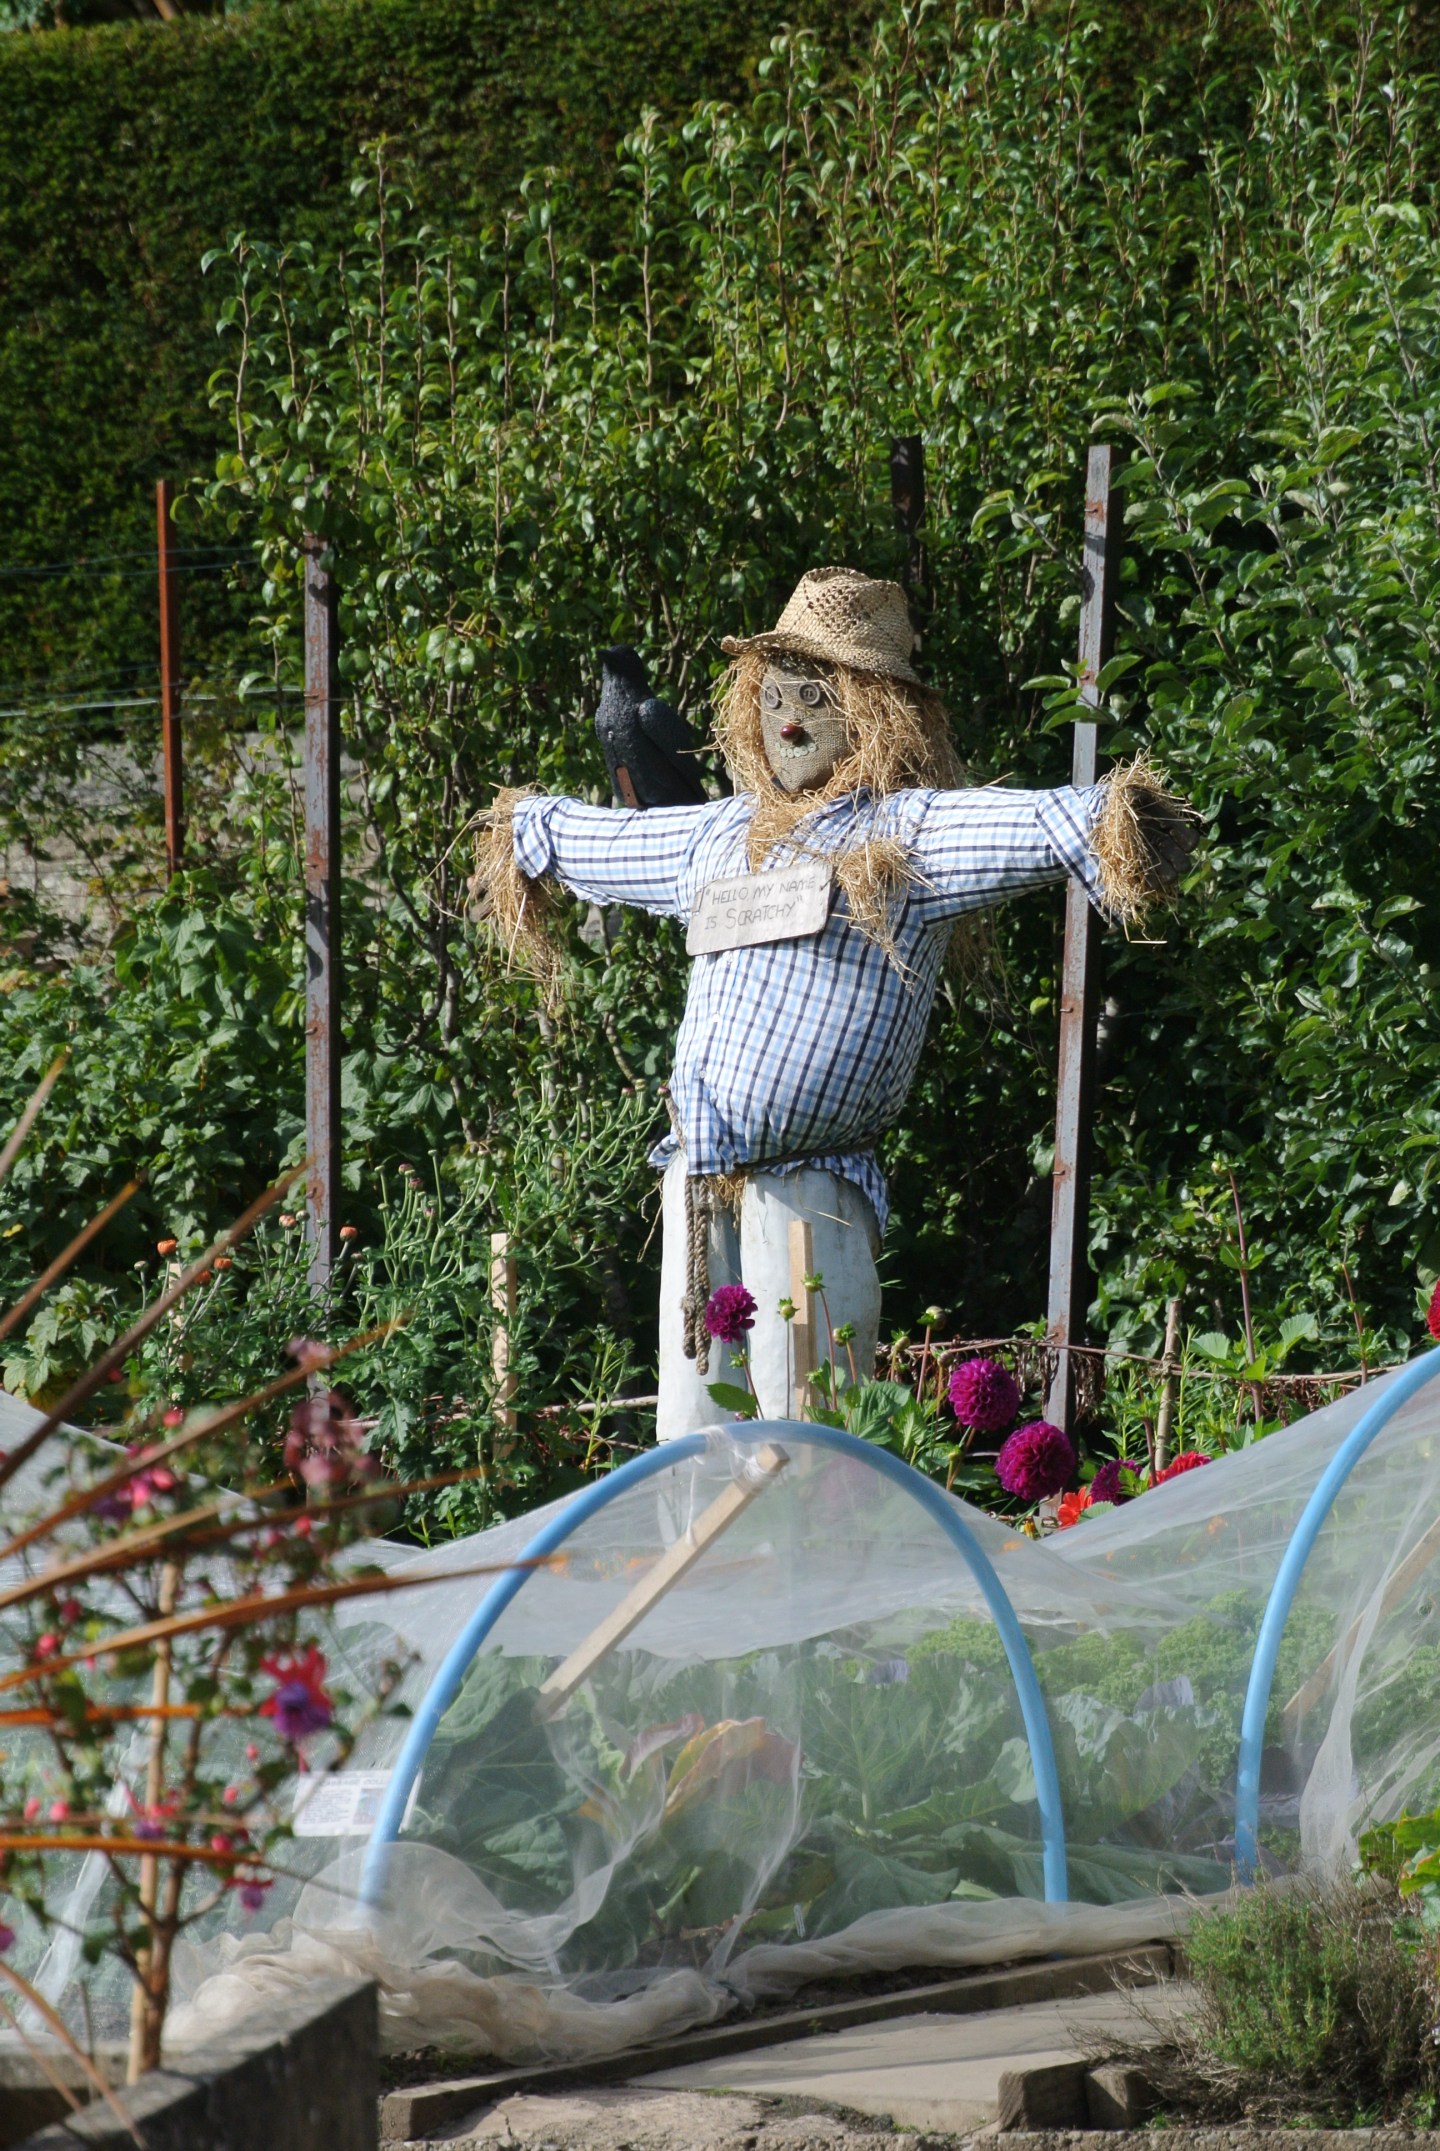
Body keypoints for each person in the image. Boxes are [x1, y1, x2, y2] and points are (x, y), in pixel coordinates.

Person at [476, 567, 1193, 1439]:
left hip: (814, 1191)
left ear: (876, 708)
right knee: (690, 1439)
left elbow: (1035, 823)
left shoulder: (907, 836)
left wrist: (1117, 819)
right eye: (775, 695)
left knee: (807, 1441)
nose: (787, 718)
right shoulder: (719, 837)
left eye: (814, 697)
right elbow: (611, 840)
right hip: (699, 1190)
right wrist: (525, 830)